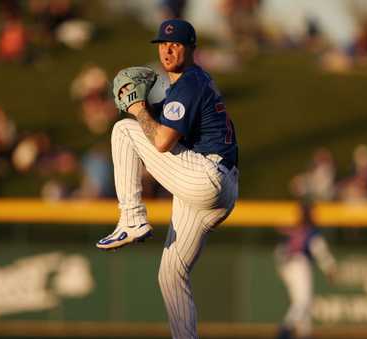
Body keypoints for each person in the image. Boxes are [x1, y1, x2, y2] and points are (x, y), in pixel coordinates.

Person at [96, 19, 239, 339]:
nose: (167, 48)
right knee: (171, 274)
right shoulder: (188, 86)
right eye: (162, 43)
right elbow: (161, 121)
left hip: (207, 177)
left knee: (123, 131)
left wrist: (136, 109)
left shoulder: (189, 82)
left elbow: (160, 140)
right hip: (213, 190)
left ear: (191, 49)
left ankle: (131, 218)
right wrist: (142, 107)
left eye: (175, 44)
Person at [274, 201, 336, 339]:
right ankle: (284, 331)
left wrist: (283, 269)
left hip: (288, 266)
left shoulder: (293, 229)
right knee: (303, 302)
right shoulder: (310, 231)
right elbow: (319, 249)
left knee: (301, 303)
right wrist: (329, 267)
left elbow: (279, 252)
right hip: (300, 264)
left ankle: (304, 333)